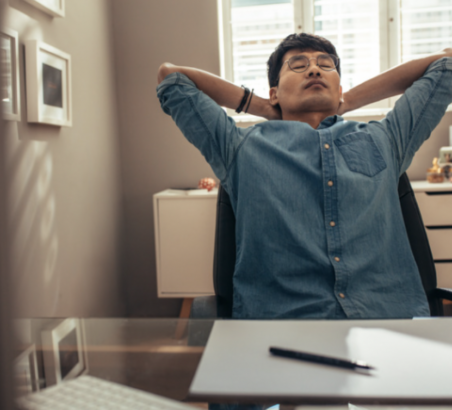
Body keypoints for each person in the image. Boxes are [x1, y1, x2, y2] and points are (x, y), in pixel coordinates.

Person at [156, 33, 452, 324]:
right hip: (281, 328)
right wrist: (264, 107)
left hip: (388, 322)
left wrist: (345, 100)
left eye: (326, 64)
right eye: (297, 65)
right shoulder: (240, 148)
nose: (313, 69)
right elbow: (172, 77)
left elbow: (446, 64)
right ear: (274, 91)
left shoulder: (385, 140)